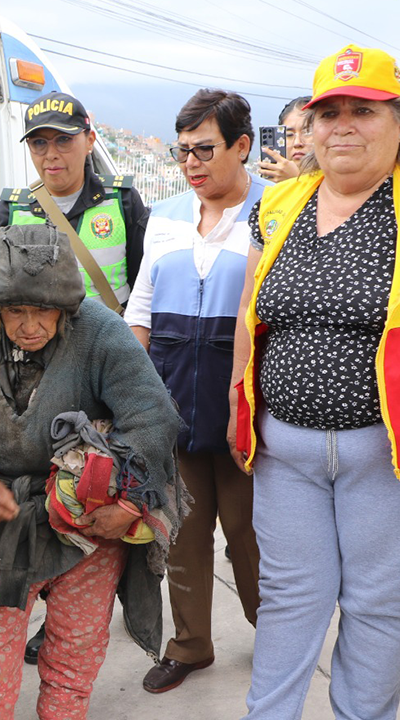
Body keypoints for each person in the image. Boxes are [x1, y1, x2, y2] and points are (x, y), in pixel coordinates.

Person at [230, 45, 400, 719]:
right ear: (309, 127)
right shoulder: (278, 205)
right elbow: (249, 313)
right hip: (285, 453)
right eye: (328, 113)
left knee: (378, 607)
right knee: (289, 599)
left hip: (393, 456)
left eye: (362, 110)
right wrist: (240, 410)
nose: (342, 125)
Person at [0, 223, 183, 718]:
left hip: (87, 530)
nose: (29, 325)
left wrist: (126, 504)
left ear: (65, 308)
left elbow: (153, 418)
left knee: (72, 662)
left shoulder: (100, 331)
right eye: (15, 311)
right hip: (2, 528)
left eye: (42, 310)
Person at [123, 88, 268, 694]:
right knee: (181, 535)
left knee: (251, 536)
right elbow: (143, 308)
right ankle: (190, 645)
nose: (191, 163)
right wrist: (131, 398)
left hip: (243, 407)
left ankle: (279, 634)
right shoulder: (168, 216)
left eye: (204, 149)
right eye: (183, 152)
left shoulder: (276, 211)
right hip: (174, 398)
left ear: (242, 146)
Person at [0, 91, 150, 313]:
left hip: (104, 344)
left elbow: (146, 294)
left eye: (63, 140)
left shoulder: (121, 201)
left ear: (90, 141)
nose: (51, 154)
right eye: (39, 143)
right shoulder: (11, 211)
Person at [257, 96, 314, 183]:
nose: (297, 143)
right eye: (289, 135)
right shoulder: (270, 188)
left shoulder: (336, 184)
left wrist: (296, 180)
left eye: (307, 132)